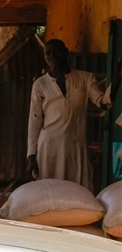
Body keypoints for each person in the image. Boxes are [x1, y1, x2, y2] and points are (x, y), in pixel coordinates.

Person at [27, 40, 121, 190]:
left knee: (77, 190)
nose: (52, 56)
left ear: (66, 51)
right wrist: (31, 156)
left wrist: (117, 77)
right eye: (48, 53)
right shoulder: (40, 85)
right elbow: (35, 121)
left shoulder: (85, 78)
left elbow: (104, 103)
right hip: (48, 148)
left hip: (75, 146)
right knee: (48, 191)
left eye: (56, 51)